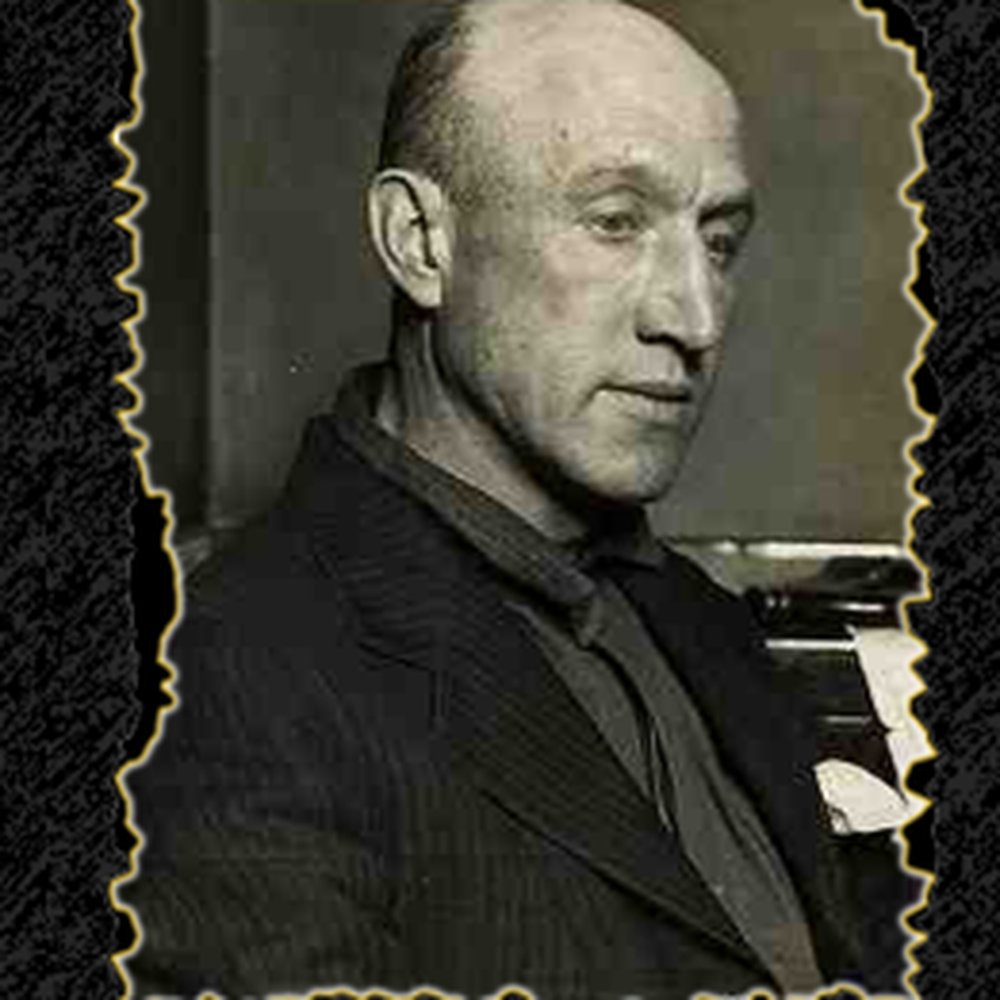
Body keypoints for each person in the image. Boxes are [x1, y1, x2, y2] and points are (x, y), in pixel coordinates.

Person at [122, 0, 909, 996]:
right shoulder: (223, 683)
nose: (696, 316)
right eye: (615, 222)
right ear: (419, 240)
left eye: (718, 241)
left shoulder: (694, 614)